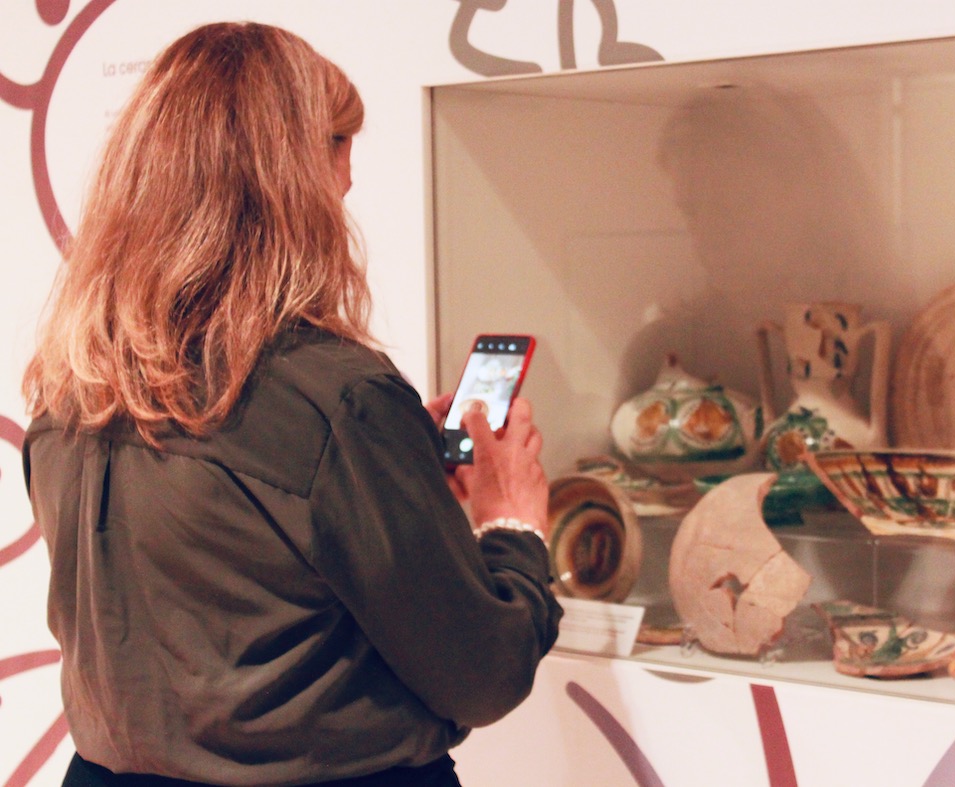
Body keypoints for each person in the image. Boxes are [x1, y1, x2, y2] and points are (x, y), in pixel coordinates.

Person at [21, 21, 562, 787]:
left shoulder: (70, 392)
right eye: (340, 147)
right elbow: (482, 671)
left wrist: (393, 469)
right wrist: (511, 522)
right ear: (292, 174)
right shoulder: (338, 400)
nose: (348, 183)